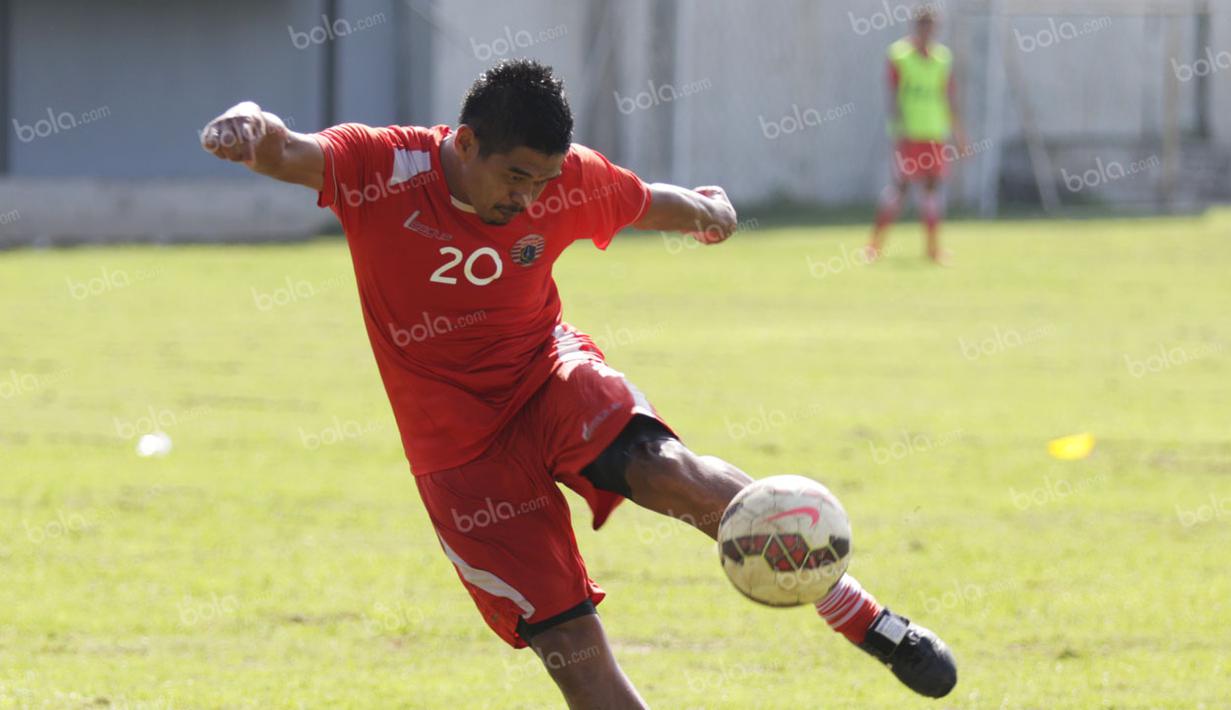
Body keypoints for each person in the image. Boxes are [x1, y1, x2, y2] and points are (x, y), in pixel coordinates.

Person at [200, 59, 956, 707]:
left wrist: (709, 210)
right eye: (515, 177)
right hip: (459, 456)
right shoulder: (380, 168)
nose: (529, 199)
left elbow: (646, 200)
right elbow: (284, 148)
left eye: (544, 181)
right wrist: (244, 122)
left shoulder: (563, 182)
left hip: (549, 377)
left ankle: (862, 617)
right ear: (464, 144)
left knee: (671, 473)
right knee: (578, 660)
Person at [867, 7, 967, 265]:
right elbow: (892, 93)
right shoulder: (899, 55)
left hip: (934, 133)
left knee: (932, 189)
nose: (928, 30)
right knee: (899, 189)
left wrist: (958, 133)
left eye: (932, 25)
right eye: (923, 25)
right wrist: (898, 126)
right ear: (915, 26)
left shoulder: (943, 58)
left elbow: (949, 97)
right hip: (908, 136)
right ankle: (873, 247)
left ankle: (933, 251)